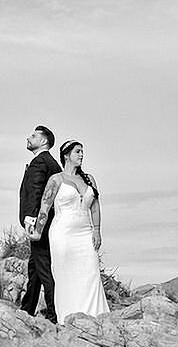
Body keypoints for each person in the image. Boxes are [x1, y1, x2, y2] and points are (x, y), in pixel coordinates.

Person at [36, 139, 109, 318]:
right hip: (63, 234)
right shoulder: (56, 179)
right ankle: (68, 318)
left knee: (91, 272)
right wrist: (37, 232)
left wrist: (97, 230)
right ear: (66, 155)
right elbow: (44, 208)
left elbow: (95, 206)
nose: (82, 155)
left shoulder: (89, 179)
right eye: (78, 151)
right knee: (65, 276)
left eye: (82, 151)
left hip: (85, 234)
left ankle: (94, 316)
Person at [16, 125, 62, 321]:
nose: (28, 138)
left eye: (33, 136)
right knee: (35, 267)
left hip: (39, 223)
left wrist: (30, 218)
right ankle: (27, 308)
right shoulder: (52, 163)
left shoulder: (40, 162)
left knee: (43, 268)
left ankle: (53, 313)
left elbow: (36, 192)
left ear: (43, 141)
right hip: (48, 222)